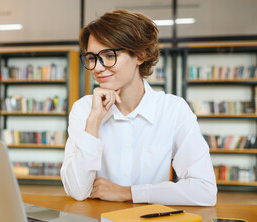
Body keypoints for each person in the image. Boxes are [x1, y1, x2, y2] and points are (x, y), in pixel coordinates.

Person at [60, 9, 217, 206]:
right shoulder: (84, 110)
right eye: (91, 58)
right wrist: (93, 122)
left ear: (140, 55)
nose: (98, 68)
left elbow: (205, 190)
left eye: (109, 55)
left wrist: (129, 193)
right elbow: (77, 191)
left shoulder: (173, 110)